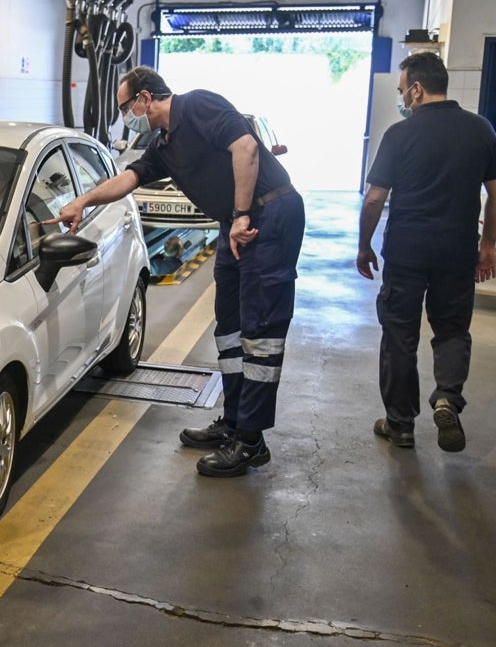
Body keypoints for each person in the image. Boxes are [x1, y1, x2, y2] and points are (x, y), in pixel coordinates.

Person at [49, 66, 306, 478]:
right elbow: (127, 179)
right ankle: (236, 422)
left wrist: (241, 214)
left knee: (260, 334)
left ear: (146, 98)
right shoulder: (164, 146)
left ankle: (252, 441)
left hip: (269, 215)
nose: (126, 115)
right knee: (230, 329)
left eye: (126, 106)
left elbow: (246, 149)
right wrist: (83, 202)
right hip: (235, 223)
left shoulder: (199, 105)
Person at [356, 50, 496, 452]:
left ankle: (400, 424)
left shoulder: (400, 135)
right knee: (452, 329)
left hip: (407, 251)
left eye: (403, 91)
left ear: (417, 89)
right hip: (457, 251)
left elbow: (374, 199)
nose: (402, 99)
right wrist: (488, 245)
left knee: (399, 334)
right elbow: (495, 194)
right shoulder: (481, 129)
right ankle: (448, 397)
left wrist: (365, 245)